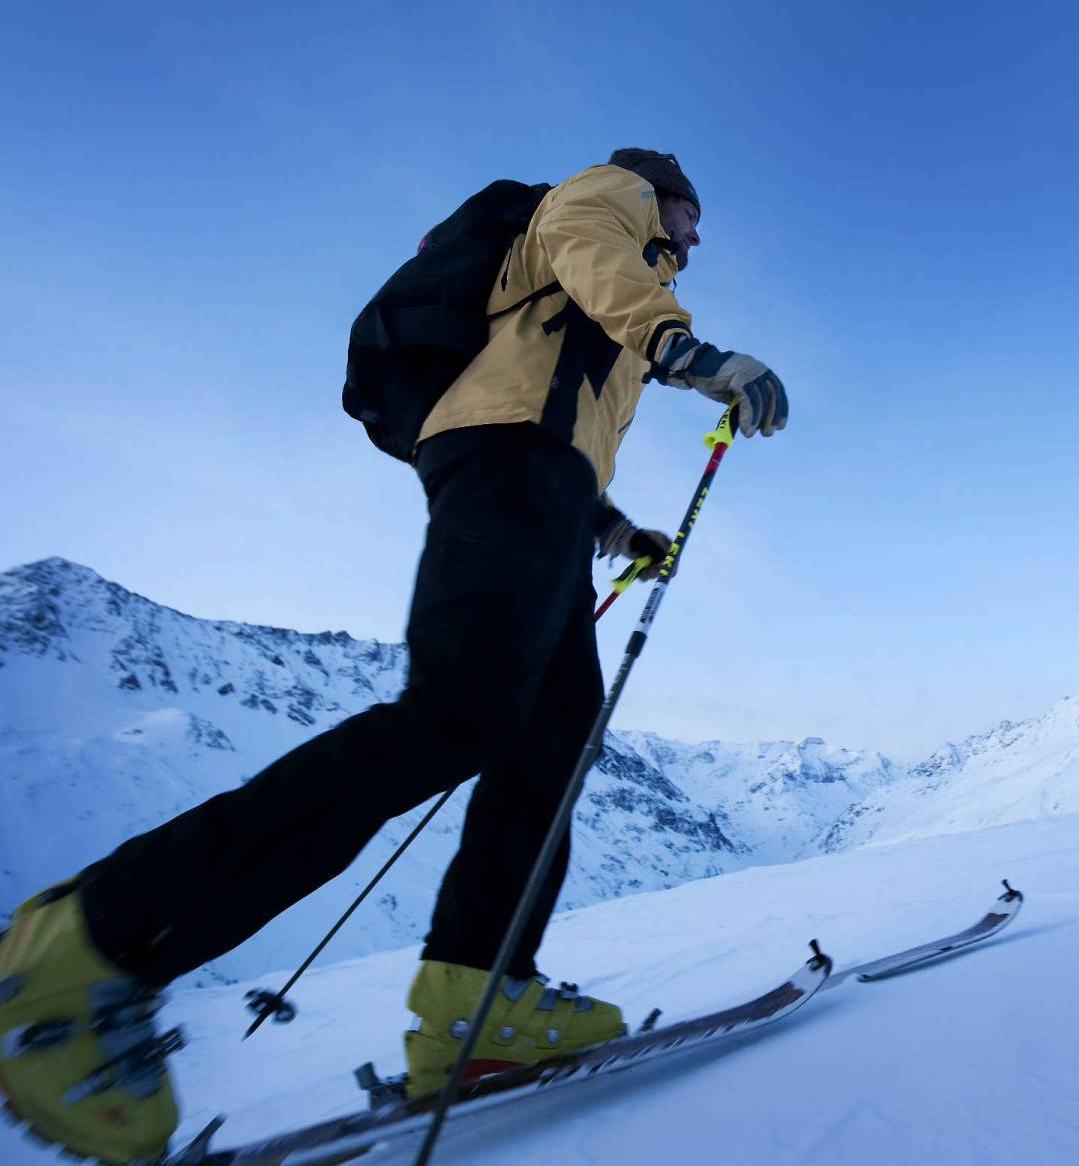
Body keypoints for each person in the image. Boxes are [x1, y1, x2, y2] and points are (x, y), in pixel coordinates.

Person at [0, 149, 788, 1164]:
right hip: (506, 469)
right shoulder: (608, 195)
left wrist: (606, 525)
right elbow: (576, 265)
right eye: (690, 214)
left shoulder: (611, 279)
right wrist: (687, 350)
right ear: (661, 191)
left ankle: (479, 998)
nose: (692, 236)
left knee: (548, 739)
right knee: (454, 719)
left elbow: (549, 405)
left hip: (535, 481)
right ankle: (88, 954)